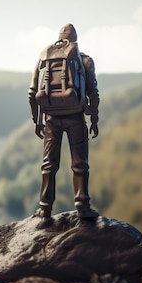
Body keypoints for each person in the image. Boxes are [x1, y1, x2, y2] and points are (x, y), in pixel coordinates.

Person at [28, 23, 100, 220]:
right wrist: (93, 119)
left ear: (59, 38)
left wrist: (37, 120)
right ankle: (83, 207)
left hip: (51, 118)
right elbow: (93, 94)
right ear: (75, 40)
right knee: (79, 164)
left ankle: (44, 208)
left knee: (49, 165)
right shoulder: (84, 60)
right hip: (76, 117)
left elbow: (32, 94)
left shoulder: (44, 59)